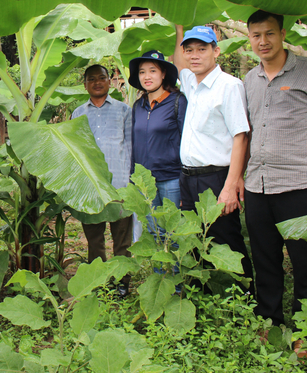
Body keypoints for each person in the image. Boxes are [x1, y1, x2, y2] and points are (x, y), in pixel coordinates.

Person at [243, 10, 307, 325]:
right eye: (256, 35)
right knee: (265, 260)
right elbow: (249, 132)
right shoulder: (248, 80)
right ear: (249, 38)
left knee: (306, 262)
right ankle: (269, 321)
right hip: (258, 185)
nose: (263, 41)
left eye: (269, 33)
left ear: (283, 34)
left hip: (301, 186)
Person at [172, 25, 254, 288]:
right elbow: (177, 62)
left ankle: (243, 299)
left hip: (216, 177)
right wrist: (178, 28)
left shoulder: (228, 86)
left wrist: (231, 185)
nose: (194, 55)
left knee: (226, 240)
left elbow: (240, 136)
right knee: (196, 238)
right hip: (189, 178)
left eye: (202, 49)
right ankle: (206, 297)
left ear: (216, 51)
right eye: (190, 50)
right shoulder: (189, 82)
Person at [71, 64, 133, 297]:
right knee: (94, 238)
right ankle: (99, 281)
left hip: (119, 185)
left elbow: (130, 147)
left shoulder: (124, 111)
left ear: (110, 81)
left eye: (102, 78)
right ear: (85, 84)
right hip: (90, 187)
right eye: (92, 79)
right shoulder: (78, 114)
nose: (97, 82)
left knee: (122, 239)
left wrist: (131, 183)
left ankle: (122, 282)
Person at [128, 50, 187, 278]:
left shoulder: (177, 101)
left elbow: (185, 139)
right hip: (145, 183)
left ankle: (177, 284)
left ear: (163, 74)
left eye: (153, 70)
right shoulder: (138, 106)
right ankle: (159, 279)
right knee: (153, 235)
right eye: (142, 72)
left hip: (171, 178)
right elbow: (135, 142)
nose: (147, 76)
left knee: (171, 232)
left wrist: (184, 178)